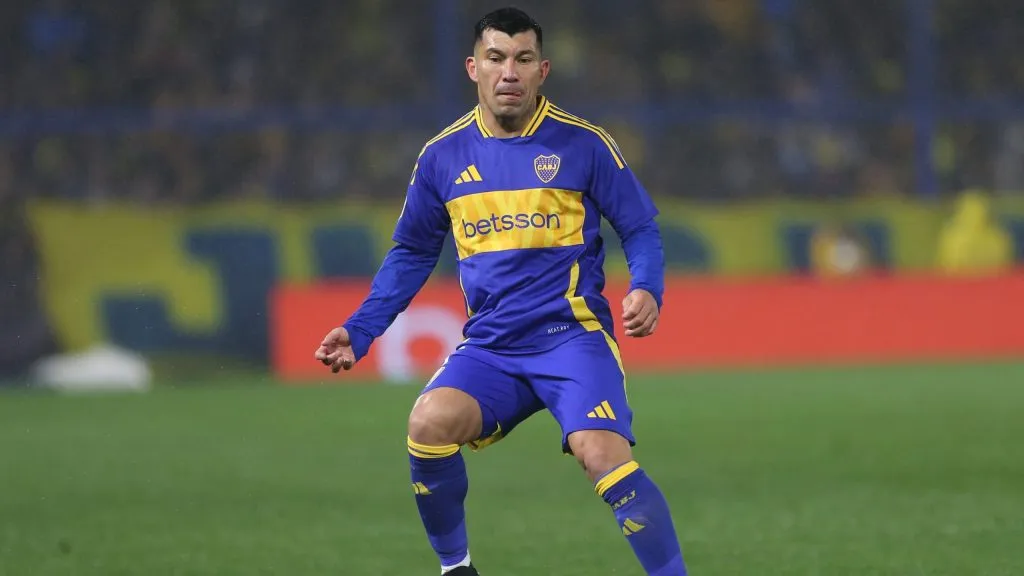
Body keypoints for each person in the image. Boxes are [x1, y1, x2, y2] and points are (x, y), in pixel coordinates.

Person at [314, 7, 687, 575]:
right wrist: (360, 330)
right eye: (496, 58)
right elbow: (412, 253)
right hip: (492, 347)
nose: (508, 71)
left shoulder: (583, 145)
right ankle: (456, 569)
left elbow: (638, 227)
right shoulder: (442, 157)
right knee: (427, 425)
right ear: (473, 68)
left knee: (601, 454)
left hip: (572, 339)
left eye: (522, 59)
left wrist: (648, 288)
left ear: (543, 70)